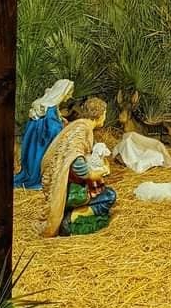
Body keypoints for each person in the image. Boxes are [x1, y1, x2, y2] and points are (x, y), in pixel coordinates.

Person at [39, 100, 117, 236]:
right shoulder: (82, 130)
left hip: (69, 184)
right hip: (69, 190)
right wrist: (95, 174)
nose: (105, 117)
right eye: (104, 113)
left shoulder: (80, 126)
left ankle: (69, 213)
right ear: (98, 115)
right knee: (109, 196)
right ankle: (69, 219)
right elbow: (76, 162)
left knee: (100, 190)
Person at [14, 79, 74, 190]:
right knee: (39, 160)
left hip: (36, 137)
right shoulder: (50, 108)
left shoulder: (49, 104)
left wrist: (61, 119)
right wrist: (62, 128)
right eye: (69, 93)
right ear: (62, 93)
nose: (70, 96)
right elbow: (52, 128)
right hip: (41, 141)